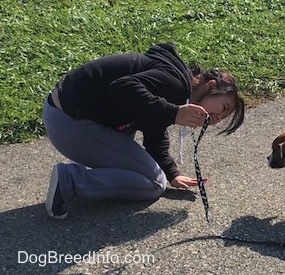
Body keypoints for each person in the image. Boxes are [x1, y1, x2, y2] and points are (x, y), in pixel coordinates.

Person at [42, 42, 245, 219]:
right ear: (210, 86)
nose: (217, 120)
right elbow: (121, 88)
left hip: (68, 115)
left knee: (153, 174)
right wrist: (173, 113)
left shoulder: (177, 84)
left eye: (223, 118)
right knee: (153, 183)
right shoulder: (174, 84)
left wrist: (172, 172)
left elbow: (154, 128)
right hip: (70, 123)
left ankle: (88, 177)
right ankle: (70, 180)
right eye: (223, 109)